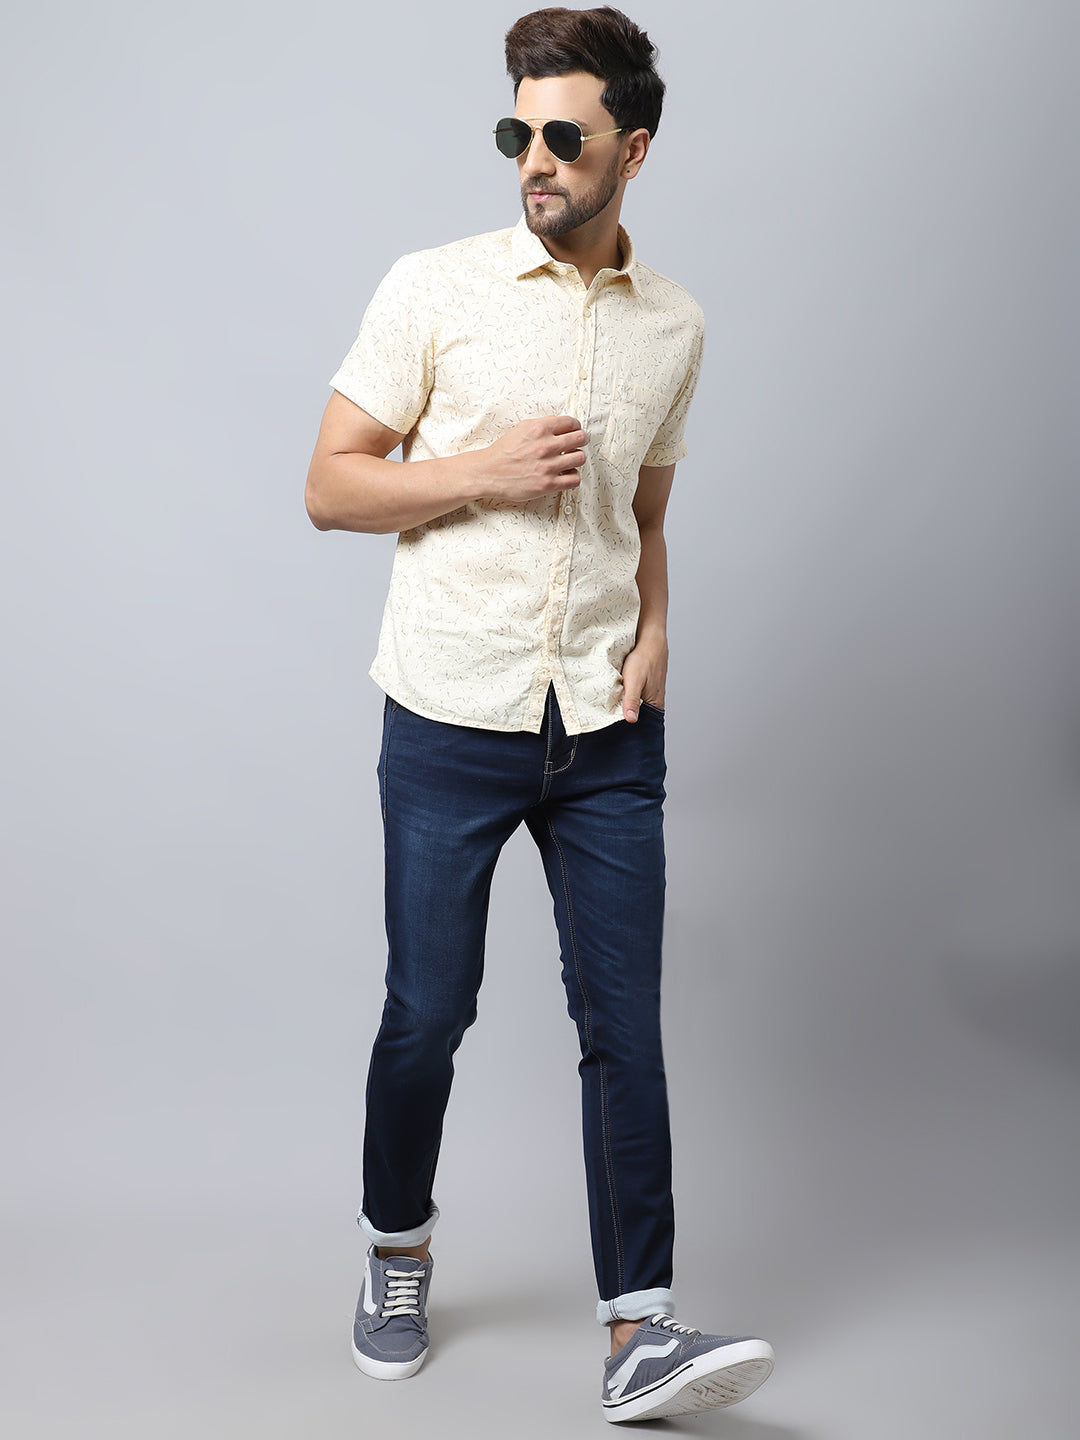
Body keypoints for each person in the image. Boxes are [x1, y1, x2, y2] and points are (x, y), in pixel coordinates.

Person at [304, 4, 774, 1423]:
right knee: (426, 1012)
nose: (535, 158)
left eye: (565, 134)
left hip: (609, 729)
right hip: (452, 713)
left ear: (635, 148)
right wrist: (483, 473)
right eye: (518, 130)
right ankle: (397, 1247)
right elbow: (330, 485)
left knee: (625, 1027)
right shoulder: (434, 289)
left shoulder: (675, 324)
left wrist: (659, 632)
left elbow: (645, 515)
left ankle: (642, 1330)